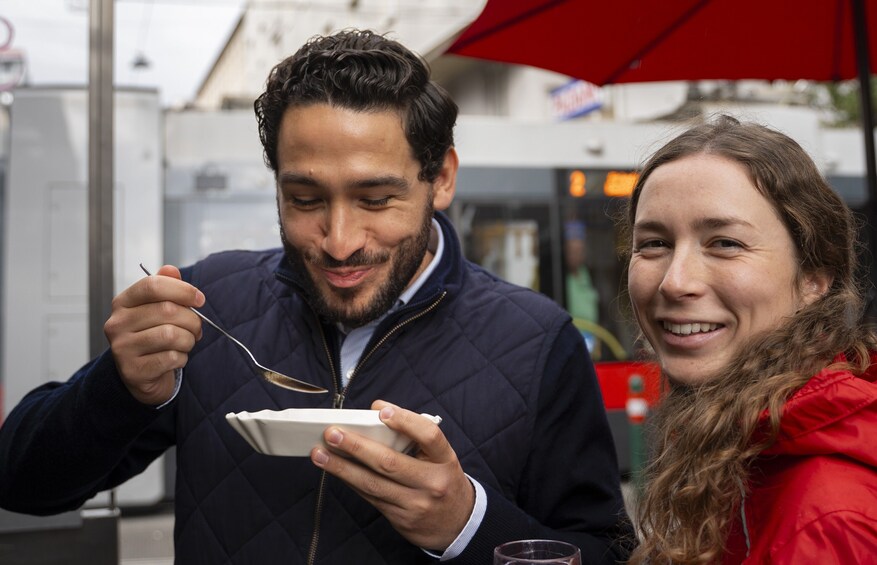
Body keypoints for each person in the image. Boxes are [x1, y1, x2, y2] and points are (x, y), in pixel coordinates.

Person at [0, 30, 632, 564]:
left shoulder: (538, 341)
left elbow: (603, 550)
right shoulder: (210, 304)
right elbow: (22, 483)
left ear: (440, 178)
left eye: (375, 200)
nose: (339, 241)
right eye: (304, 199)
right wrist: (119, 388)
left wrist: (468, 525)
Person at [623, 115, 877, 564]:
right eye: (654, 244)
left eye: (725, 243)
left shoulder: (827, 520)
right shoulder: (744, 443)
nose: (674, 282)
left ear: (814, 279)